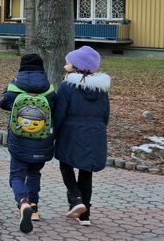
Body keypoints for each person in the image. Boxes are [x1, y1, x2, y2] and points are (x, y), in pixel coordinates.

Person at [53, 45, 111, 227]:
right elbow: (105, 114)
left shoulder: (67, 86)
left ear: (77, 65)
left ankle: (76, 199)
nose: (65, 65)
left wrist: (54, 132)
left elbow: (60, 113)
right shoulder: (101, 89)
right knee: (86, 172)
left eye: (69, 62)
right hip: (95, 134)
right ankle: (85, 216)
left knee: (65, 164)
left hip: (71, 133)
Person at [0, 53, 56, 234]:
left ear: (22, 67)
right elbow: (57, 112)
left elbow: (2, 103)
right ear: (41, 68)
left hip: (19, 141)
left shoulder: (14, 86)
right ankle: (34, 207)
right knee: (34, 173)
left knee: (16, 176)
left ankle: (23, 203)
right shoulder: (50, 89)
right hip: (42, 141)